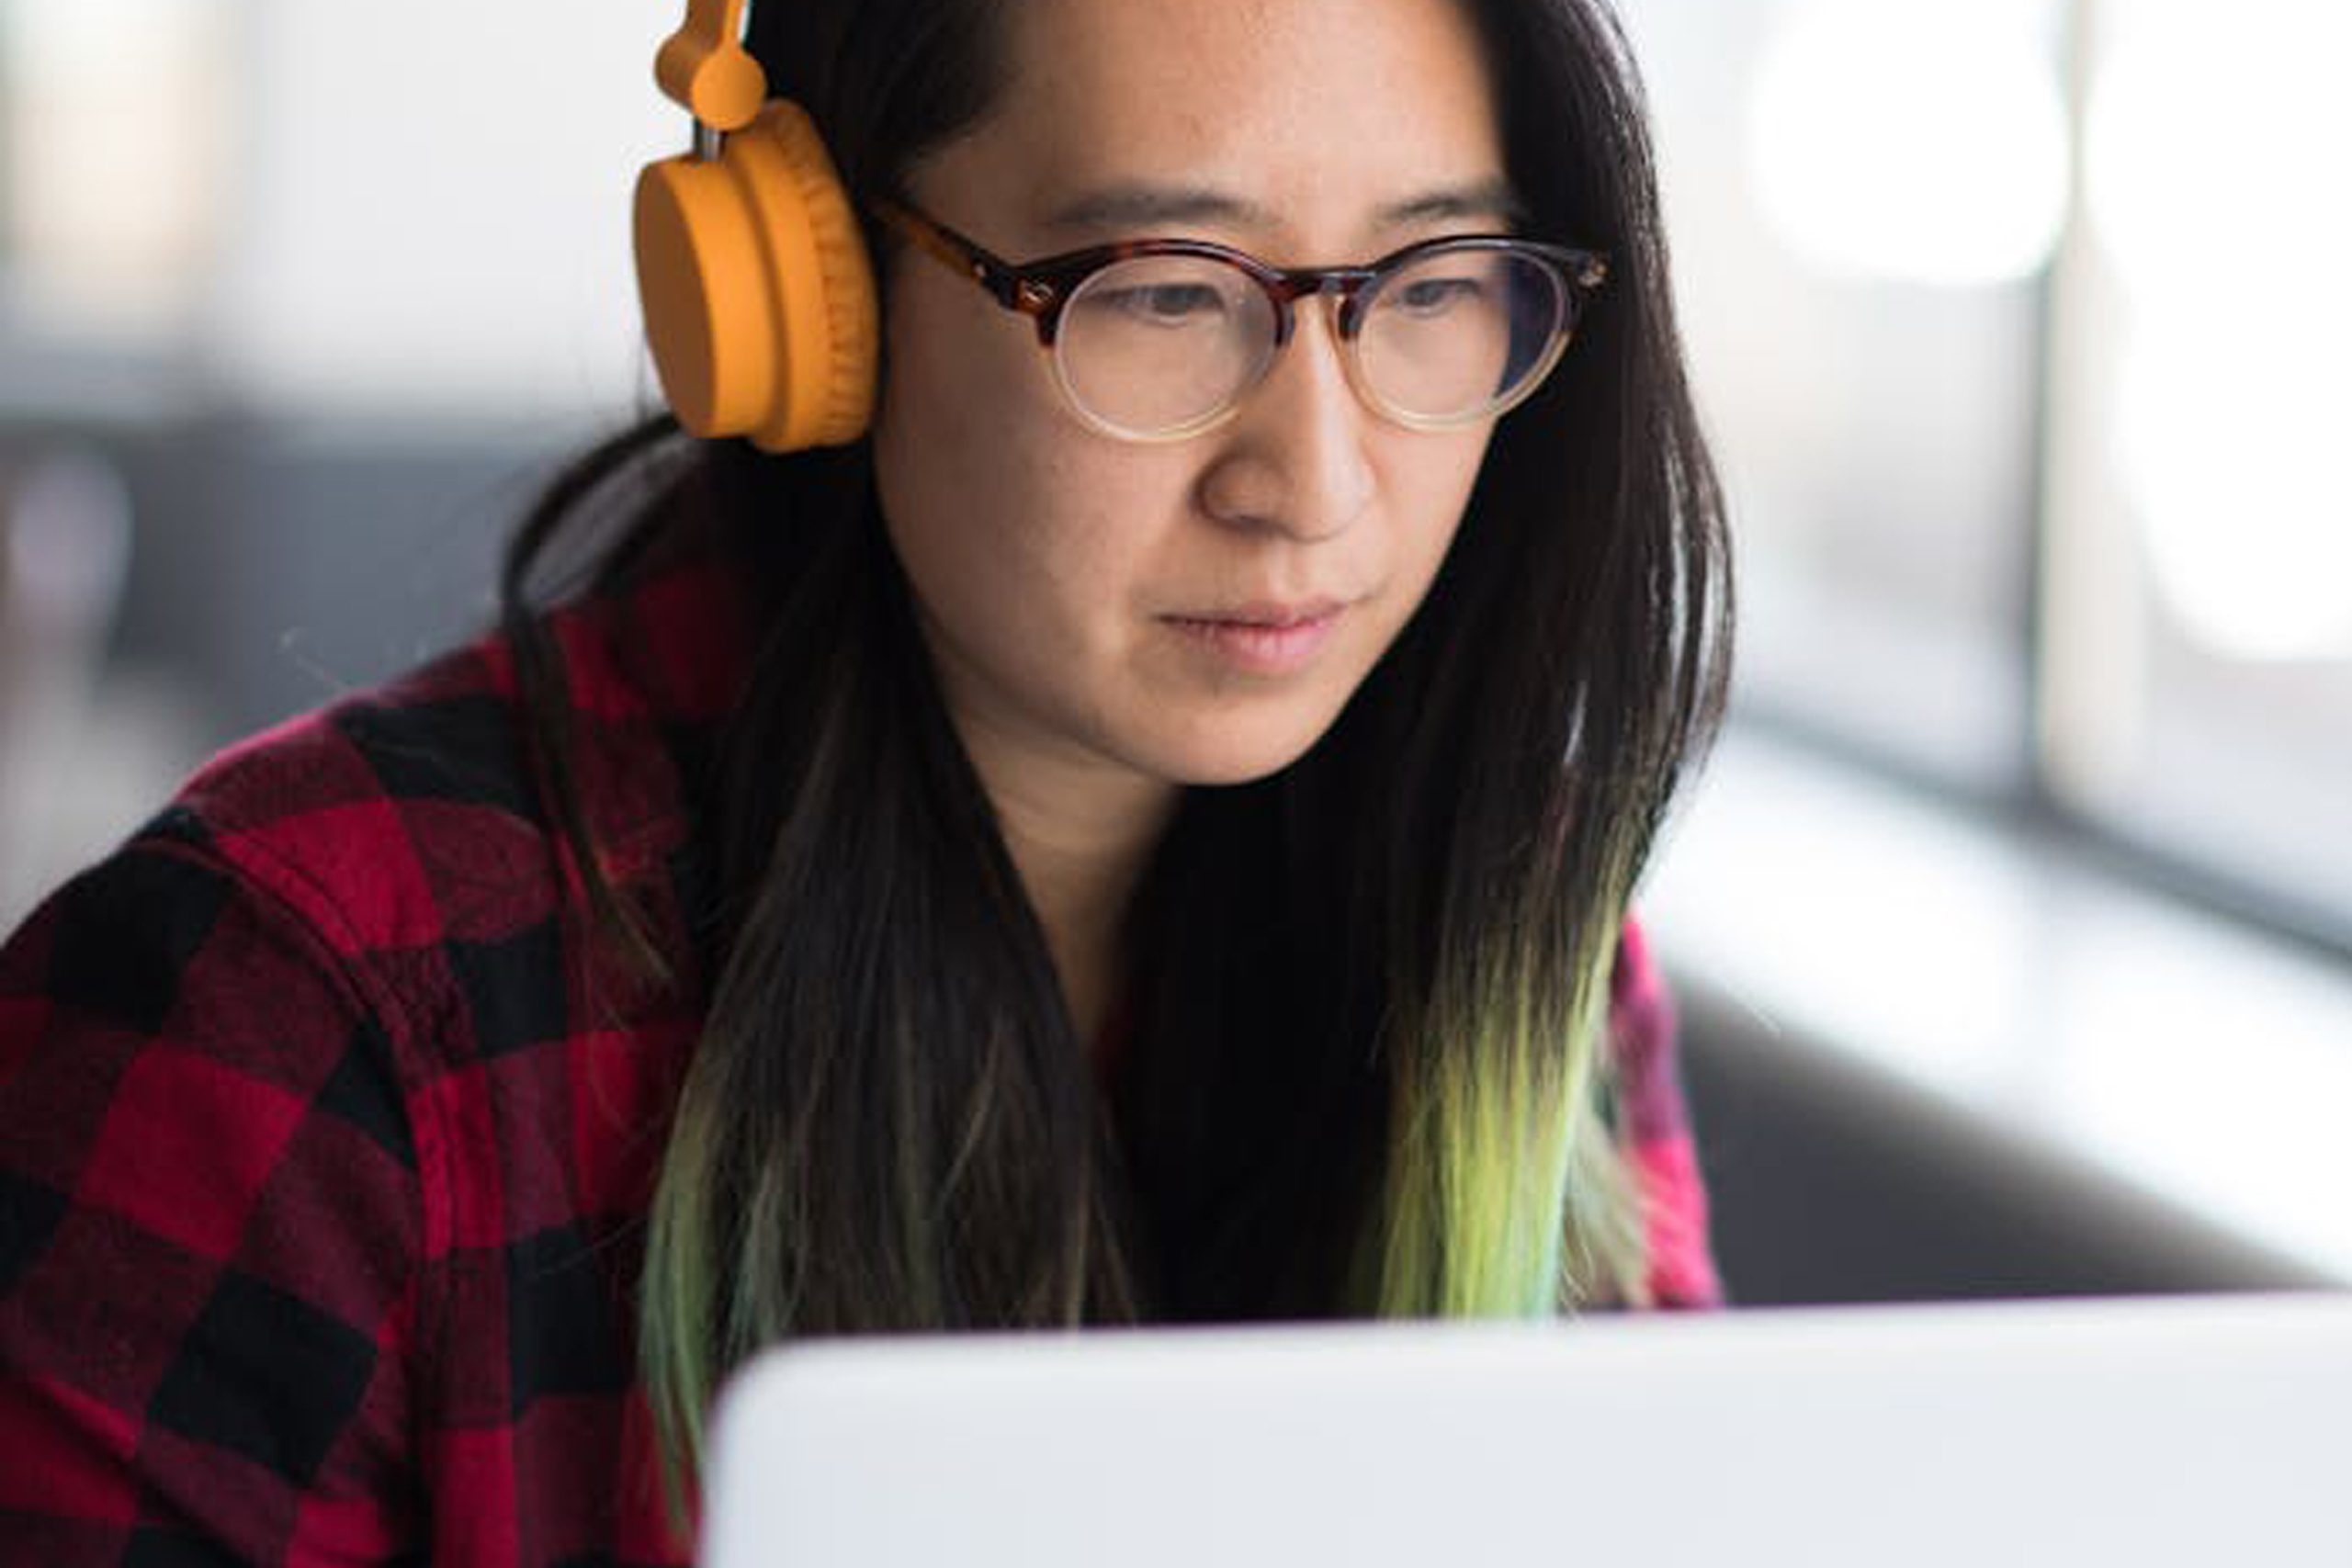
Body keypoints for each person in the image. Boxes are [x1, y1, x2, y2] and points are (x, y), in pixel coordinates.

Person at [0, 0, 1733, 1559]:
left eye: (1431, 289)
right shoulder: (285, 1017)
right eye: (1163, 295)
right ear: (809, 298)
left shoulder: (1514, 914)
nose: (1317, 483)